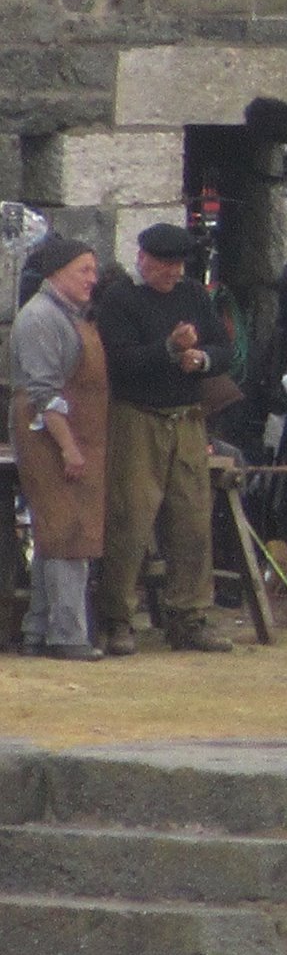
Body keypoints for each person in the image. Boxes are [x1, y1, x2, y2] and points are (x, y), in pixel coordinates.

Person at [95, 223, 234, 654]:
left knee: (192, 520)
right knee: (130, 519)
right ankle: (117, 618)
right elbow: (120, 363)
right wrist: (169, 349)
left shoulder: (192, 294)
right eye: (165, 264)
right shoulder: (120, 299)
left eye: (178, 265)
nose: (174, 272)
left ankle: (188, 616)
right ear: (143, 259)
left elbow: (224, 349)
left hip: (187, 418)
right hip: (137, 417)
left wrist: (202, 359)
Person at [8, 238, 106, 659]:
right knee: (66, 532)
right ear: (55, 273)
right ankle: (68, 635)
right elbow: (44, 393)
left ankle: (39, 630)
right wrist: (68, 446)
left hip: (75, 434)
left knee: (58, 533)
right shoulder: (40, 318)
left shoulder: (70, 316)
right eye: (84, 270)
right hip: (48, 435)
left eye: (94, 270)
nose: (92, 279)